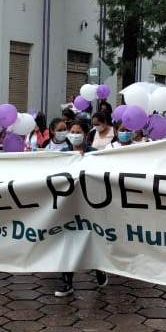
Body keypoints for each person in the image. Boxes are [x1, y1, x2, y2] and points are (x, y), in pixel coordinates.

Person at [55, 120, 109, 297]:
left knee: (91, 239)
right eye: (72, 131)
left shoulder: (94, 154)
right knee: (67, 241)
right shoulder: (62, 154)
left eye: (78, 131)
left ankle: (99, 268)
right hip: (68, 205)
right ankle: (67, 282)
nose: (74, 134)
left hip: (89, 205)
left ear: (86, 134)